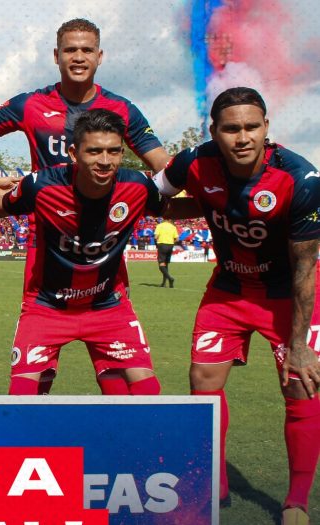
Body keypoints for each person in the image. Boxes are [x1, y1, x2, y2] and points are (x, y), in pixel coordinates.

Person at [153, 87, 320, 524]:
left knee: (300, 385)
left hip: (286, 295)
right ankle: (215, 484)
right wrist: (195, 205)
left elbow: (305, 269)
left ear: (266, 128)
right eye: (231, 128)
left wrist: (300, 345)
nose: (242, 137)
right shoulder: (193, 161)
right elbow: (154, 196)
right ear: (214, 131)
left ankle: (297, 500)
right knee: (202, 380)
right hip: (228, 289)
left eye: (251, 127)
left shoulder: (300, 179)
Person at [0, 109, 162, 396]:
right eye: (94, 151)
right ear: (74, 153)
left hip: (108, 306)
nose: (105, 161)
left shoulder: (137, 186)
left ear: (122, 153)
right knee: (22, 397)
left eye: (113, 151)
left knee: (148, 392)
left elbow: (175, 209)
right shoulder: (41, 186)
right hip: (47, 307)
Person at [0, 18, 169, 173]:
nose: (79, 57)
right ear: (56, 56)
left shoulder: (123, 109)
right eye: (70, 50)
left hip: (103, 225)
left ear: (99, 56)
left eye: (87, 50)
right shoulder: (30, 104)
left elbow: (162, 162)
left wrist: (189, 168)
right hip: (44, 224)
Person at [154, 218, 178, 287]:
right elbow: (177, 239)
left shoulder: (159, 226)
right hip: (170, 245)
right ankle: (164, 283)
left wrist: (156, 245)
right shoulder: (173, 227)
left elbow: (155, 237)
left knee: (161, 265)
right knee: (166, 264)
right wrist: (172, 244)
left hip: (162, 245)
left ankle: (170, 278)